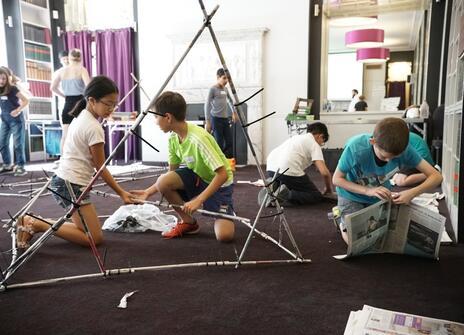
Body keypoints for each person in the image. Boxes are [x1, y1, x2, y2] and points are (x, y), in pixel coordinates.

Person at [16, 76, 136, 249]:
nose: (112, 108)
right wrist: (121, 193)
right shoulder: (94, 127)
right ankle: (36, 223)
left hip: (66, 180)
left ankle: (37, 222)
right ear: (92, 100)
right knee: (94, 238)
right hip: (70, 184)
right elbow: (101, 168)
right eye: (108, 103)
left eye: (114, 104)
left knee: (86, 230)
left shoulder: (81, 117)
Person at [132, 91, 235, 242]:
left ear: (168, 117)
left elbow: (222, 175)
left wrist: (198, 200)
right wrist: (148, 192)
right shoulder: (174, 137)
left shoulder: (198, 139)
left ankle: (227, 208)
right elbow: (170, 175)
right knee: (164, 181)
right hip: (198, 176)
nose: (155, 121)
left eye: (156, 117)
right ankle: (189, 223)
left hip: (219, 183)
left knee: (224, 236)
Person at [332, 117, 442, 243]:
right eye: (384, 156)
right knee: (357, 241)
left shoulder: (405, 150)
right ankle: (341, 221)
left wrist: (412, 193)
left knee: (387, 235)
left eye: (395, 157)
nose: (389, 161)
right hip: (351, 194)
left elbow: (436, 176)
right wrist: (368, 191)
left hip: (380, 195)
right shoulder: (356, 147)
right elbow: (337, 179)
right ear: (373, 142)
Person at [261, 122, 333, 206]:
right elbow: (325, 173)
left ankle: (274, 188)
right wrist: (328, 189)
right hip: (288, 169)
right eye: (322, 142)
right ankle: (285, 195)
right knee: (315, 195)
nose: (321, 145)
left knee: (291, 183)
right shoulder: (314, 144)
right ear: (320, 136)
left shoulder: (296, 137)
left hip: (270, 167)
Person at [51, 48, 90, 155]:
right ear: (80, 58)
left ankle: (63, 161)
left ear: (69, 57)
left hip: (68, 103)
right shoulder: (82, 70)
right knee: (82, 135)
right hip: (80, 103)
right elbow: (89, 87)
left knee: (65, 135)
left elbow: (53, 88)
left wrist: (64, 96)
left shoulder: (62, 71)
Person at [0, 66, 29, 176]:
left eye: (3, 78)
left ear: (7, 79)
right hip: (5, 120)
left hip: (16, 120)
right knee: (2, 143)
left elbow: (26, 101)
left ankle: (20, 166)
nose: (1, 81)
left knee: (18, 144)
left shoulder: (13, 89)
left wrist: (18, 110)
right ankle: (7, 164)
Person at [204, 68, 238, 161]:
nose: (226, 81)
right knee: (218, 142)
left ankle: (227, 163)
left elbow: (231, 101)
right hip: (215, 119)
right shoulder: (212, 89)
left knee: (229, 141)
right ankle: (218, 163)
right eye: (224, 78)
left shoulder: (225, 89)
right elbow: (207, 105)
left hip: (225, 119)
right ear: (218, 77)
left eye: (227, 78)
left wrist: (234, 113)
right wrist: (208, 121)